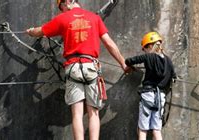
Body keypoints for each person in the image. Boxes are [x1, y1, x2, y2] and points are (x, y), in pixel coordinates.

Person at [26, 0, 130, 139]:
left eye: (61, 7)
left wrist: (31, 32)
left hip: (73, 67)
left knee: (77, 114)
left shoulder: (63, 18)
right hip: (91, 67)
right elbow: (109, 43)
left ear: (67, 2)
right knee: (94, 113)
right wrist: (123, 64)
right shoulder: (95, 18)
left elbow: (41, 31)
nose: (61, 10)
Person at [125, 32, 176, 140]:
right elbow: (174, 77)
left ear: (149, 46)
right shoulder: (168, 61)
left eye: (144, 48)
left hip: (148, 95)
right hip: (160, 97)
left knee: (143, 129)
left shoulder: (148, 57)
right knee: (156, 130)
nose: (144, 51)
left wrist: (131, 67)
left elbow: (129, 61)